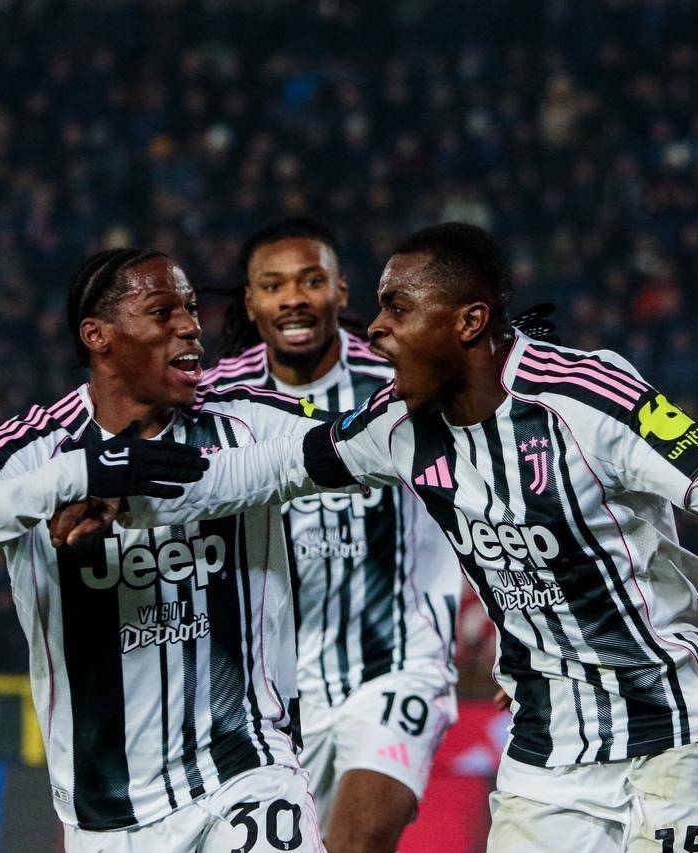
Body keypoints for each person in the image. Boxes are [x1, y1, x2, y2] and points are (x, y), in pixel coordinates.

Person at [71, 223, 698, 853]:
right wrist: (126, 493)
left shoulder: (589, 396)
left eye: (397, 307)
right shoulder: (397, 425)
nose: (375, 329)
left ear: (468, 322)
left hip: (682, 734)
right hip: (547, 753)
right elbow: (267, 469)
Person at [0, 248, 328, 852]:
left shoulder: (247, 420)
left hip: (244, 772)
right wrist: (74, 477)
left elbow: (361, 443)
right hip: (106, 816)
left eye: (191, 309)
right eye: (163, 312)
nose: (190, 326)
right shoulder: (34, 451)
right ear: (98, 336)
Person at [209, 218, 459, 852]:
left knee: (360, 839)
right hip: (270, 694)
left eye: (310, 281)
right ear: (251, 302)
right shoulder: (219, 399)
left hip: (395, 664)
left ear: (340, 291)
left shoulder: (402, 382)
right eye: (274, 286)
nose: (293, 298)